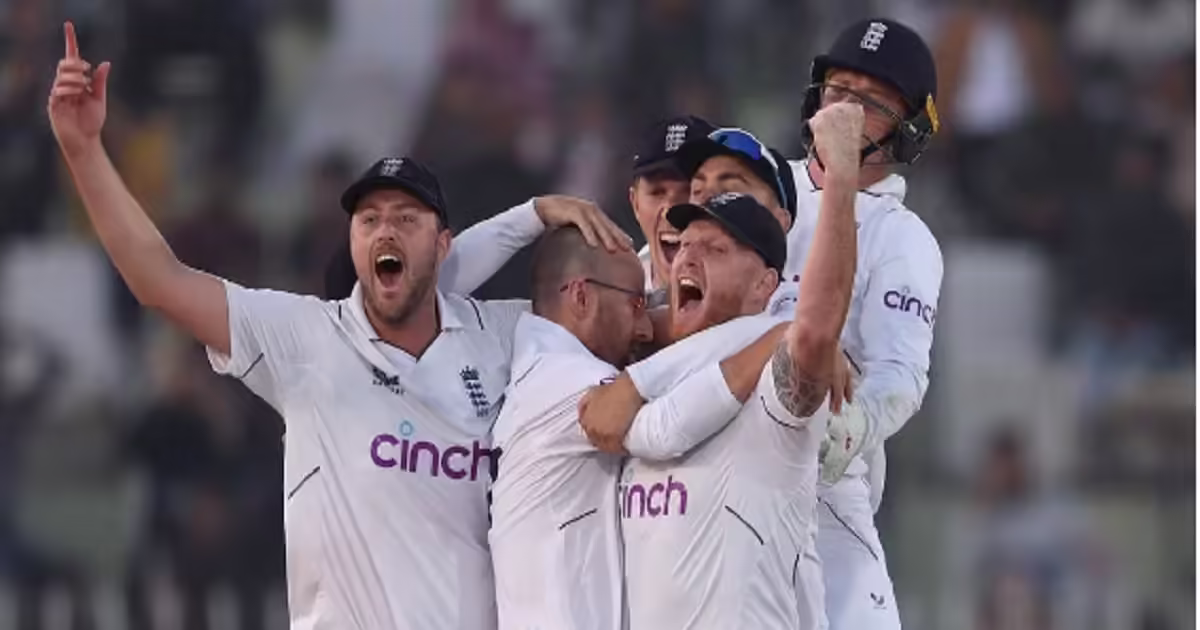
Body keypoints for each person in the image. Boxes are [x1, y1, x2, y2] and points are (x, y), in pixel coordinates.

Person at [46, 22, 627, 630]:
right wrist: (84, 152)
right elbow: (158, 279)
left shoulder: (506, 337)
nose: (385, 230)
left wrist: (548, 218)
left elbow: (624, 315)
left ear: (443, 244)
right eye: (369, 220)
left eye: (406, 218)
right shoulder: (308, 339)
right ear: (351, 243)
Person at [575, 101, 865, 629]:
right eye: (685, 244)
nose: (688, 257)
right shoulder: (645, 361)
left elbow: (815, 332)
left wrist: (842, 177)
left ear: (765, 284)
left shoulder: (772, 383)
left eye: (715, 248)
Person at [488, 225, 789, 629]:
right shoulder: (567, 382)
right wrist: (780, 336)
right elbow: (666, 429)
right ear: (581, 297)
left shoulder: (539, 370)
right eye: (635, 305)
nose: (646, 329)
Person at [781, 18, 944, 630]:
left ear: (908, 129)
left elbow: (900, 374)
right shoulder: (757, 185)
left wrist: (849, 428)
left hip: (821, 497)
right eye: (838, 91)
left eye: (872, 103)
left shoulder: (903, 238)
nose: (846, 112)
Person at [627, 115, 716, 293]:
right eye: (657, 192)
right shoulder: (616, 293)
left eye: (690, 190)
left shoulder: (758, 288)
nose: (671, 209)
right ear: (635, 204)